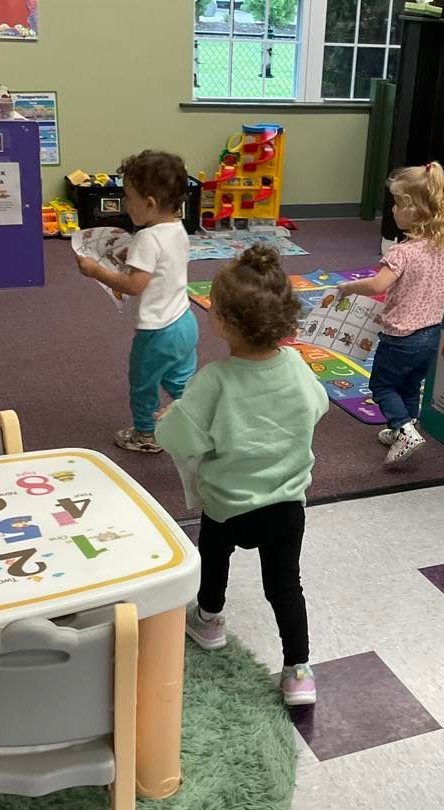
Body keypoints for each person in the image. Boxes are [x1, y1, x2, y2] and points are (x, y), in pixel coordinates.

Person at [156, 245, 329, 706]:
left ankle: (210, 620)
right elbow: (318, 406)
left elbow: (178, 436)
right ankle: (298, 671)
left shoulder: (213, 380)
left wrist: (166, 417)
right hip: (286, 504)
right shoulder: (295, 366)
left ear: (223, 321)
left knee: (215, 559)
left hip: (227, 503)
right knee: (285, 587)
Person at [76, 150, 197, 454]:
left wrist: (97, 272)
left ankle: (146, 434)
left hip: (156, 332)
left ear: (150, 203)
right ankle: (198, 419)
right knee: (180, 380)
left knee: (143, 384)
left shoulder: (146, 238)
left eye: (128, 197)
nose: (125, 203)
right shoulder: (178, 230)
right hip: (183, 320)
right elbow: (159, 275)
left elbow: (134, 284)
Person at [337, 162, 444, 464]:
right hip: (431, 333)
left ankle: (403, 429)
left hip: (400, 336)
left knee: (383, 385)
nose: (392, 210)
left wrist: (349, 288)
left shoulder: (401, 252)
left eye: (396, 204)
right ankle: (405, 425)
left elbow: (378, 284)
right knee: (410, 384)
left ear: (412, 210)